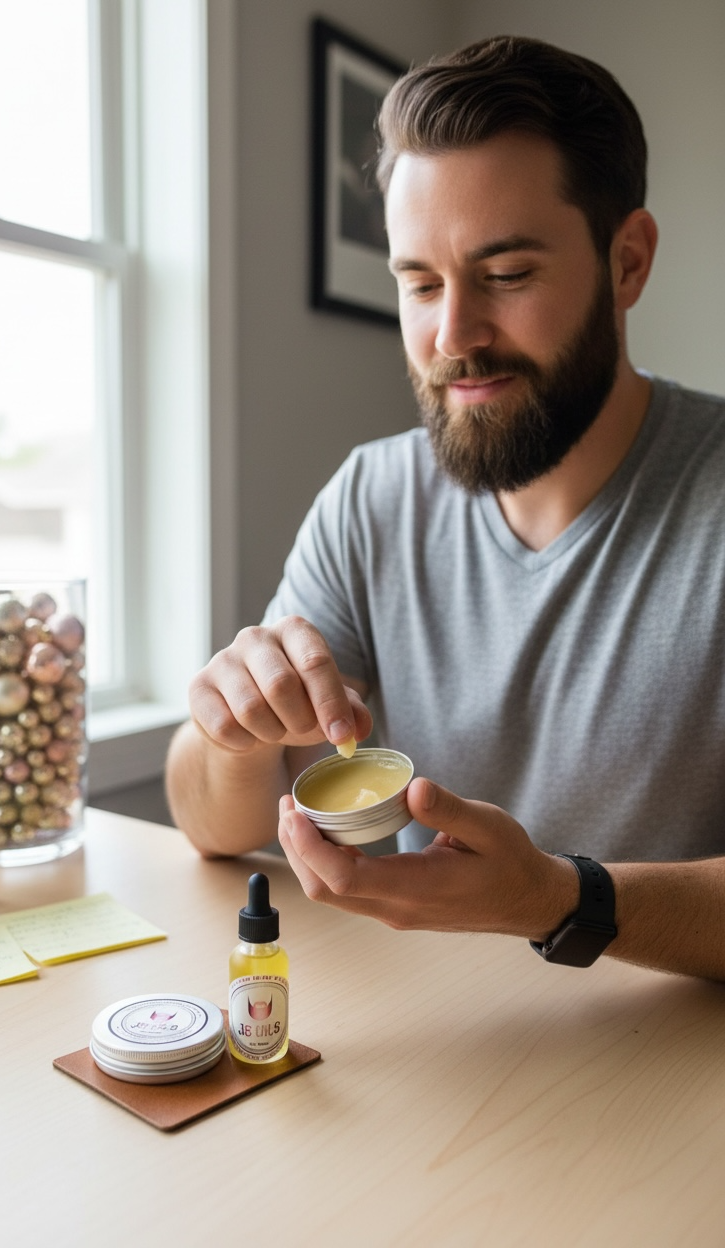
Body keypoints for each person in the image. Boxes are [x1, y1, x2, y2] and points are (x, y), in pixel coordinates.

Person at [166, 35, 725, 981]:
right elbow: (210, 826)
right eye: (420, 283)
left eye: (506, 276)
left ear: (627, 262)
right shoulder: (370, 497)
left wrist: (560, 901)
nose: (452, 335)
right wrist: (235, 732)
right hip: (427, 1036)